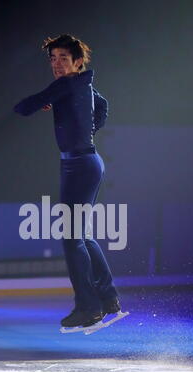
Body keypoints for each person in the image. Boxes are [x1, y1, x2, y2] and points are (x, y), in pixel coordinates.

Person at [14, 34, 121, 330]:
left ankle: (89, 307)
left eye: (63, 58)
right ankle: (108, 298)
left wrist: (47, 99)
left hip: (79, 165)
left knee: (72, 238)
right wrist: (87, 128)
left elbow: (24, 107)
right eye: (52, 59)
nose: (57, 64)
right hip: (84, 162)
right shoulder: (82, 85)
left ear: (77, 61)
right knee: (82, 236)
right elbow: (103, 106)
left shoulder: (66, 85)